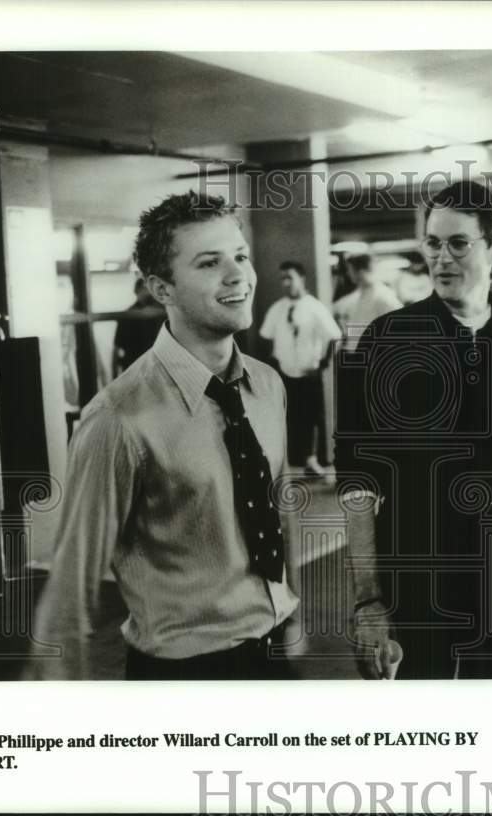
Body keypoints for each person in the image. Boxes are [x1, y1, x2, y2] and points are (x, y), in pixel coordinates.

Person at [30, 192, 299, 680]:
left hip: (273, 650)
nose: (238, 275)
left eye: (240, 256)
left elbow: (277, 507)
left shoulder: (267, 386)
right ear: (162, 288)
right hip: (184, 675)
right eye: (209, 263)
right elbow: (72, 578)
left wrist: (292, 614)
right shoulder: (117, 418)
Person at [336, 180, 492, 680]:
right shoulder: (387, 340)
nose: (442, 258)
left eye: (459, 243)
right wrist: (369, 599)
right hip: (417, 561)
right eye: (433, 244)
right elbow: (357, 477)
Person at [260, 261, 341, 477]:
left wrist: (322, 363)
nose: (286, 283)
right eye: (283, 278)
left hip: (308, 373)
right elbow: (267, 337)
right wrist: (274, 364)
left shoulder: (314, 307)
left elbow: (334, 337)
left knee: (311, 417)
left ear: (302, 279)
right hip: (284, 372)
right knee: (287, 417)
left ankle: (311, 460)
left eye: (290, 277)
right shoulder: (278, 308)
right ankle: (286, 462)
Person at [332, 254, 402, 352]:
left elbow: (399, 326)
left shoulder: (382, 296)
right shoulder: (360, 295)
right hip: (358, 354)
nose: (348, 274)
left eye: (350, 270)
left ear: (360, 272)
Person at [112, 277, 166, 377]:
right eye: (144, 289)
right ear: (137, 291)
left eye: (148, 290)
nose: (147, 293)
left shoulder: (160, 313)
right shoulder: (128, 315)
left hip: (153, 368)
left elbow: (117, 349)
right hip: (136, 367)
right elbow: (117, 348)